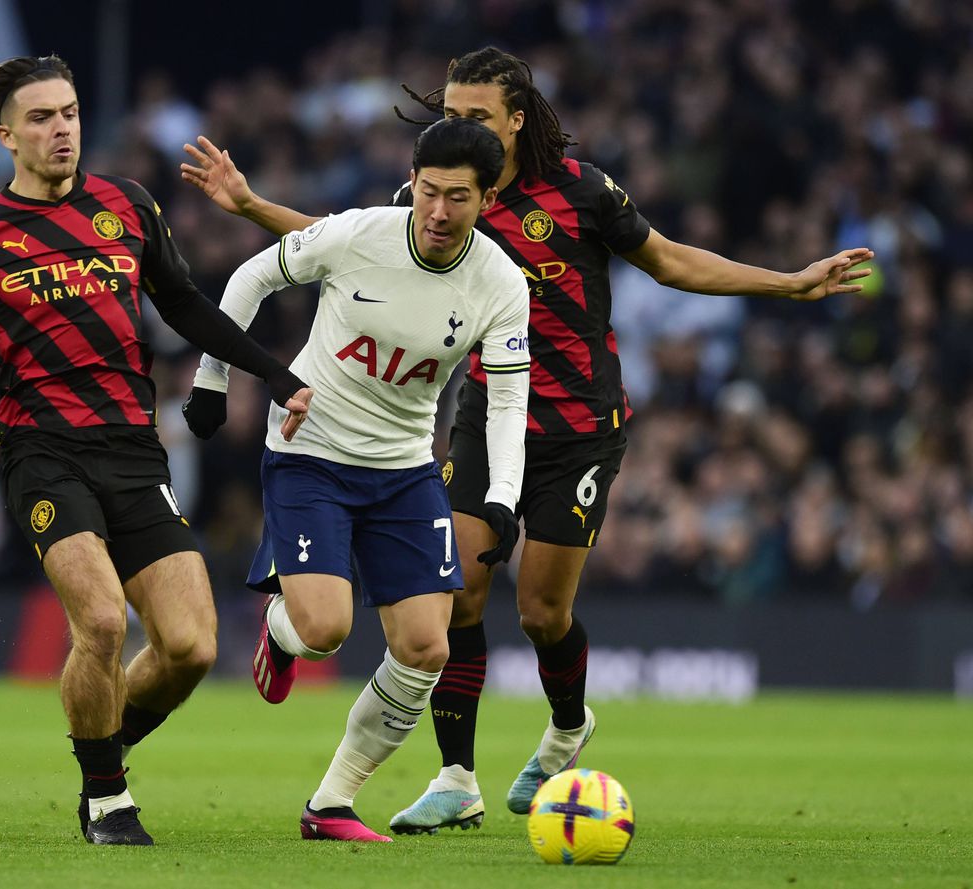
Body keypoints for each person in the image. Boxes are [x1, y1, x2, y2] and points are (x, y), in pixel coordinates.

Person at [180, 46, 874, 835]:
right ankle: (455, 775)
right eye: (450, 113)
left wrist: (786, 281)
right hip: (486, 415)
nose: (458, 127)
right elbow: (349, 243)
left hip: (579, 427)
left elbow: (671, 262)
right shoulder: (435, 191)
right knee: (461, 595)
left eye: (476, 115)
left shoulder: (579, 192)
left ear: (516, 118)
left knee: (544, 611)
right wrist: (251, 206)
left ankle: (568, 726)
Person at [0, 55, 312, 846]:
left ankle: (99, 752)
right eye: (40, 118)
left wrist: (277, 376)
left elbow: (184, 306)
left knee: (191, 647)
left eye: (68, 112)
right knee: (102, 623)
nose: (61, 128)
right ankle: (107, 797)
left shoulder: (127, 205)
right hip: (44, 453)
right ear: (5, 135)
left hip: (137, 452)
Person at [180, 116, 530, 842]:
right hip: (312, 451)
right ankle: (280, 630)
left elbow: (506, 396)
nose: (438, 212)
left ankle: (331, 802)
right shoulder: (361, 233)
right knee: (325, 628)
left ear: (487, 199)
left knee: (429, 646)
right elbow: (253, 274)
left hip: (404, 469)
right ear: (413, 180)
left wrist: (502, 497)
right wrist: (213, 378)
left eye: (458, 198)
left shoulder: (499, 281)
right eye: (428, 191)